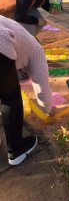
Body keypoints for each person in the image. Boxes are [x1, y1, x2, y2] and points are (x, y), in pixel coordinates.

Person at [0, 15, 55, 166]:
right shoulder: (37, 51)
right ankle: (16, 150)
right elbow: (41, 84)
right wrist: (47, 108)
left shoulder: (22, 39)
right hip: (0, 40)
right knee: (10, 97)